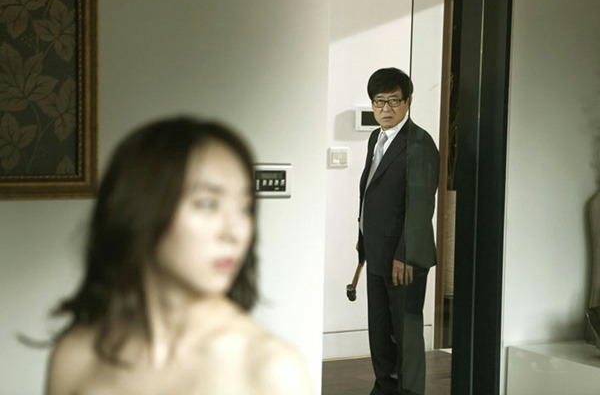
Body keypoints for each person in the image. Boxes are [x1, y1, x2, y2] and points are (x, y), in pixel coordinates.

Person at [45, 117, 313, 395]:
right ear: (142, 210)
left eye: (245, 207)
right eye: (208, 204)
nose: (235, 232)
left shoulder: (271, 369)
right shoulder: (76, 356)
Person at [357, 68, 439, 395]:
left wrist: (405, 254)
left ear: (408, 101)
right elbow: (371, 193)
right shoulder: (376, 138)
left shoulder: (419, 143)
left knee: (406, 335)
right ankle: (384, 389)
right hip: (378, 253)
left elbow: (421, 206)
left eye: (394, 101)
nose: (386, 109)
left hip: (404, 258)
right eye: (380, 102)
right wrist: (362, 242)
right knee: (380, 333)